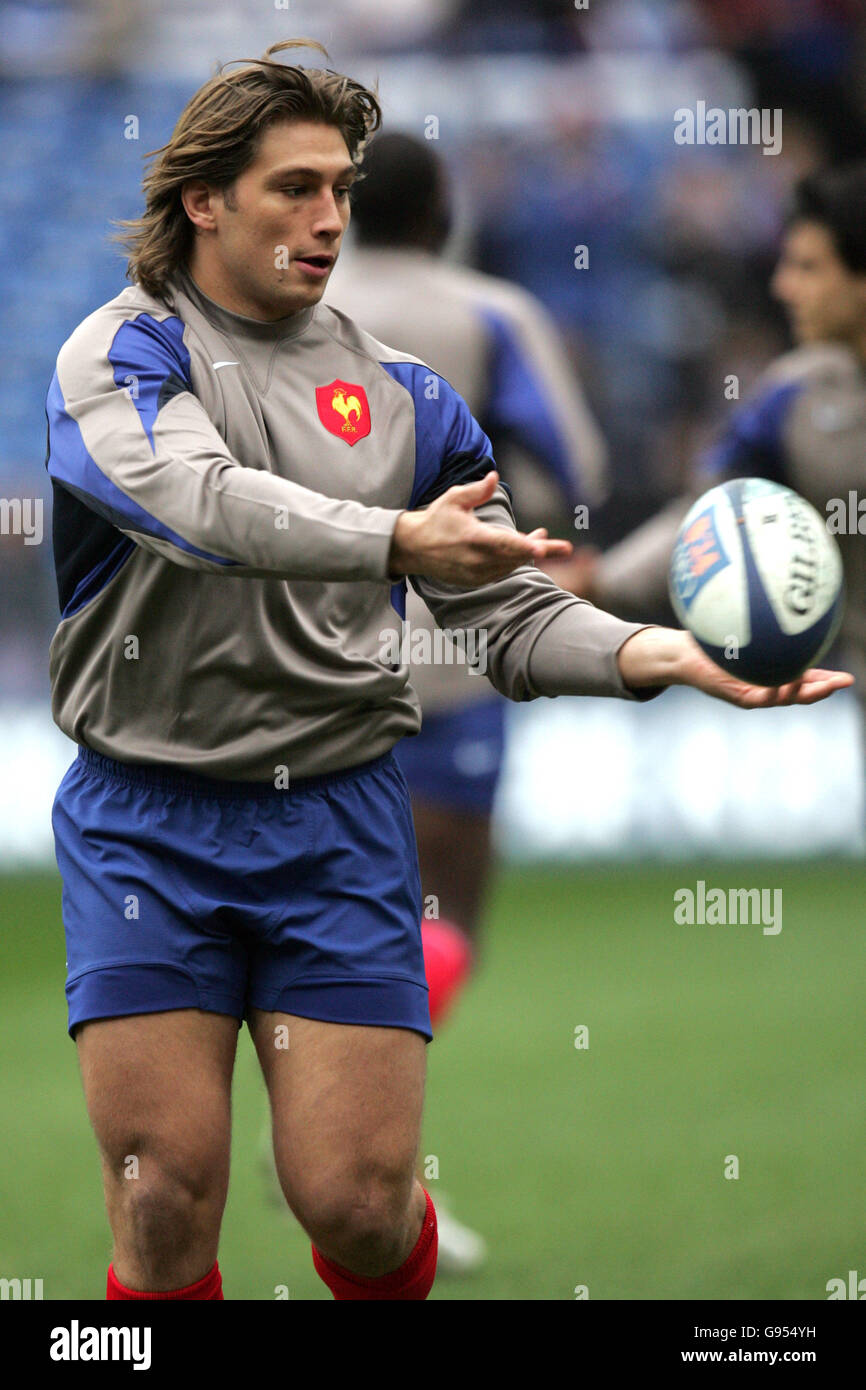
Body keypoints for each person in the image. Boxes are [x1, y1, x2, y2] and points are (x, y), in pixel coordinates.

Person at [46, 40, 853, 1302]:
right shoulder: (117, 355)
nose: (328, 221)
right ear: (202, 199)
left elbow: (504, 611)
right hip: (147, 822)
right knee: (163, 1196)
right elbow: (193, 503)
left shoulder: (403, 395)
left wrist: (657, 650)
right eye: (295, 189)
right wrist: (393, 538)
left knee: (359, 1207)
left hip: (333, 815)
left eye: (344, 190)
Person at [325, 131, 610, 1271]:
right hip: (448, 660)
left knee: (336, 928)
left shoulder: (283, 304)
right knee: (441, 924)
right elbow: (572, 464)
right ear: (442, 211)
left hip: (307, 666)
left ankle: (339, 1151)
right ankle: (356, 1155)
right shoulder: (488, 312)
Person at [574, 164, 866, 713]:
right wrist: (600, 582)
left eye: (808, 267)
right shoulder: (796, 393)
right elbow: (713, 512)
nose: (784, 286)